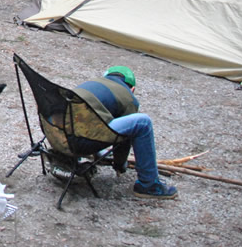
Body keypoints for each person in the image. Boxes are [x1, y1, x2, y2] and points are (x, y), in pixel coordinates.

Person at [72, 66, 178, 200]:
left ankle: (70, 157)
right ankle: (148, 185)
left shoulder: (92, 84)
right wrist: (120, 164)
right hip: (82, 141)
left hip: (58, 137)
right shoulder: (128, 98)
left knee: (89, 119)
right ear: (132, 89)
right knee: (142, 123)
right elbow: (124, 138)